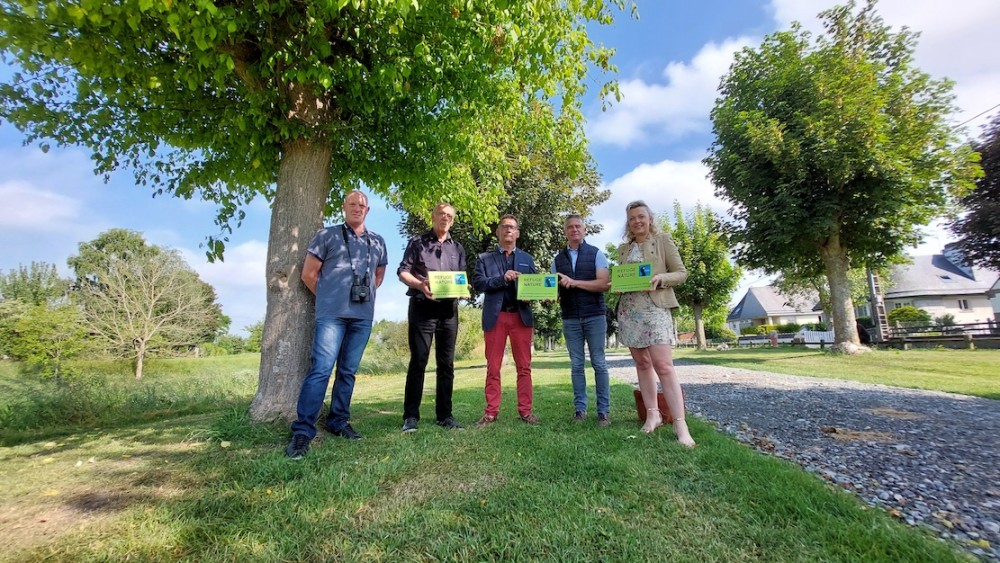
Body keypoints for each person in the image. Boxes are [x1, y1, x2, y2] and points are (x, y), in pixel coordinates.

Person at [285, 190, 388, 459]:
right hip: (331, 315)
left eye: (362, 205)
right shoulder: (327, 235)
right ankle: (303, 431)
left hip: (362, 317)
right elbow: (309, 274)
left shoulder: (377, 241)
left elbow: (379, 276)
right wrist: (331, 298)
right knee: (320, 369)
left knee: (348, 372)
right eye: (352, 204)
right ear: (344, 207)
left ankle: (338, 421)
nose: (357, 208)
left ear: (368, 210)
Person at [615, 200, 695, 447]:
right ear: (628, 223)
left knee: (664, 365)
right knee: (641, 363)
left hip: (656, 308)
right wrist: (616, 285)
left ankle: (681, 423)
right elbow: (622, 277)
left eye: (641, 216)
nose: (637, 221)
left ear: (649, 218)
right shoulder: (623, 249)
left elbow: (681, 273)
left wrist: (661, 278)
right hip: (630, 311)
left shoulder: (663, 240)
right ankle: (652, 414)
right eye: (632, 218)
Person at [397, 203, 467, 433]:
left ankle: (444, 415)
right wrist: (419, 284)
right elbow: (403, 272)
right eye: (441, 214)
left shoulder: (458, 248)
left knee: (446, 364)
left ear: (452, 221)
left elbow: (462, 279)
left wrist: (464, 289)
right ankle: (410, 416)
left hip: (449, 312)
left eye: (449, 216)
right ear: (433, 217)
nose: (445, 218)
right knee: (419, 362)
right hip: (422, 309)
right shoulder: (417, 242)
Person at [472, 214, 539, 426]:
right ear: (498, 232)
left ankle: (525, 412)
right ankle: (491, 412)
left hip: (521, 317)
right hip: (496, 317)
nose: (509, 230)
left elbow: (535, 284)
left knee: (524, 367)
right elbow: (479, 283)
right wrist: (503, 278)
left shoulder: (527, 259)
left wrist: (541, 294)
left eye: (512, 227)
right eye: (504, 226)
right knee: (493, 367)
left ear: (518, 233)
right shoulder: (484, 259)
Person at [551, 214, 612, 426]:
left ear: (584, 230)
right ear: (565, 231)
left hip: (594, 315)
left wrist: (575, 283)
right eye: (570, 227)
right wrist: (548, 296)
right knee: (576, 364)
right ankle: (580, 410)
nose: (574, 229)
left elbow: (604, 284)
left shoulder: (596, 254)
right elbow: (553, 290)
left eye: (578, 226)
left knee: (599, 363)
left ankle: (603, 412)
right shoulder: (557, 260)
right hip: (570, 318)